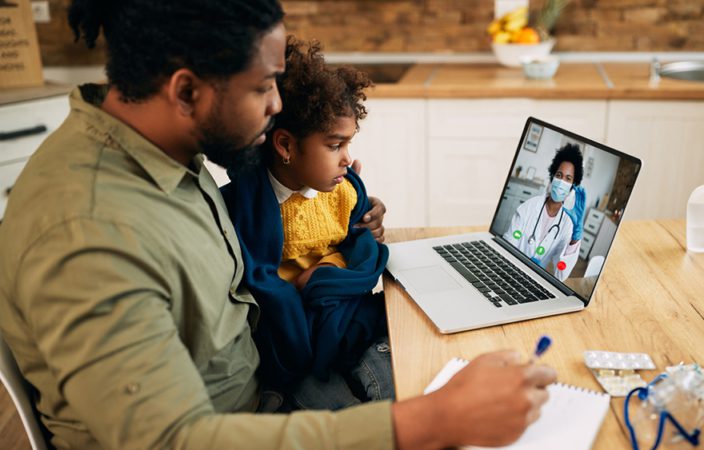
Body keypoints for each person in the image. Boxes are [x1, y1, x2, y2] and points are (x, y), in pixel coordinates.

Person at [0, 1, 556, 449]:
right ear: (187, 91)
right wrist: (432, 421)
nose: (276, 105)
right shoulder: (89, 233)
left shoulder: (162, 153)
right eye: (265, 86)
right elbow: (177, 439)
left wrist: (328, 197)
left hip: (268, 390)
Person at [221, 37, 393, 410]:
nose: (347, 159)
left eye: (349, 145)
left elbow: (361, 245)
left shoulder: (342, 191)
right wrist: (302, 290)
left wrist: (327, 271)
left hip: (340, 313)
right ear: (285, 146)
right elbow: (259, 286)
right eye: (335, 146)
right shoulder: (247, 205)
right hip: (291, 332)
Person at [504, 144, 586, 281]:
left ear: (573, 186)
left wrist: (575, 238)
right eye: (559, 175)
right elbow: (508, 243)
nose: (561, 182)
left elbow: (561, 274)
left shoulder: (567, 224)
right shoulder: (530, 206)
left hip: (536, 280)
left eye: (568, 178)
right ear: (552, 176)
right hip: (510, 269)